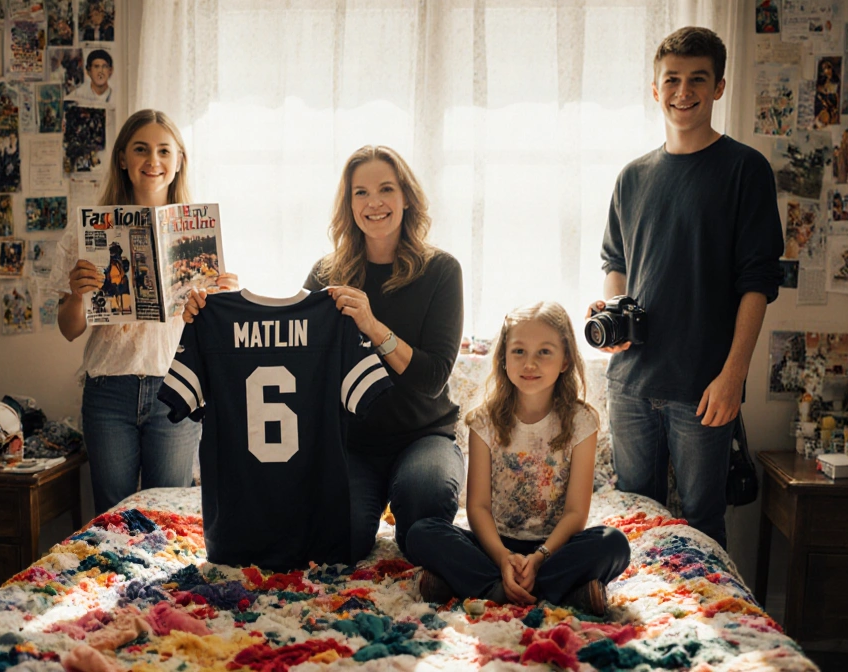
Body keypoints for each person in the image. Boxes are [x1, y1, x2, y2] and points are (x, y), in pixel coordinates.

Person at [183, 145, 465, 563]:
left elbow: (433, 377)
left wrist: (372, 325)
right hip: (350, 443)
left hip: (423, 435)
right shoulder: (326, 274)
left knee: (424, 507)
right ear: (348, 204)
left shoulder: (441, 270)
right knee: (337, 541)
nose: (374, 203)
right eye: (360, 193)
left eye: (386, 189)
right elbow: (291, 345)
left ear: (406, 197)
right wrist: (218, 308)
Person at [589, 27, 783, 549]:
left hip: (704, 386)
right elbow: (616, 262)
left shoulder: (746, 169)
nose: (683, 90)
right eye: (671, 79)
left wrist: (733, 376)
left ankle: (706, 628)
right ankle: (646, 627)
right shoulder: (633, 176)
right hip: (630, 381)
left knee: (701, 524)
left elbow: (759, 282)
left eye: (698, 78)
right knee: (634, 520)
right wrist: (611, 311)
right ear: (655, 89)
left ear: (719, 87)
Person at [49, 109, 238, 514]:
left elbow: (214, 332)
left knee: (167, 513)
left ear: (178, 161)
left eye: (164, 151)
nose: (153, 161)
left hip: (177, 386)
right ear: (122, 158)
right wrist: (78, 294)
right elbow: (68, 330)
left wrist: (223, 298)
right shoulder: (86, 231)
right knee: (111, 516)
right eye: (141, 149)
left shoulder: (199, 232)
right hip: (108, 391)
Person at [405, 302, 630, 614]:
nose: (530, 364)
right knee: (421, 533)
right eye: (519, 351)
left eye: (545, 352)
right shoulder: (484, 420)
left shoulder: (582, 421)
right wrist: (503, 558)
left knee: (613, 543)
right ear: (504, 359)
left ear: (565, 360)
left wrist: (538, 559)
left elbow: (576, 513)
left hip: (555, 549)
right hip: (494, 548)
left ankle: (488, 588)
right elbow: (478, 507)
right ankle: (556, 592)